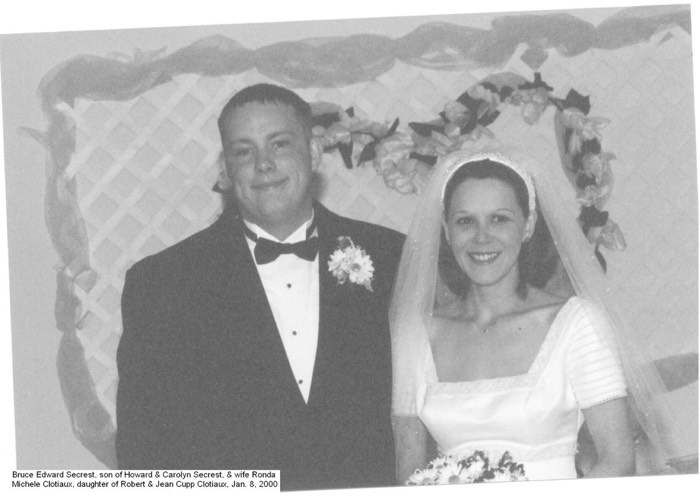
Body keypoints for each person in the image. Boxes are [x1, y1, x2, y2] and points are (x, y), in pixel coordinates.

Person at [116, 83, 404, 491]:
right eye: (244, 151)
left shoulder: (393, 257)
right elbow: (144, 450)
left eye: (280, 144)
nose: (263, 165)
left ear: (314, 153)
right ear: (225, 170)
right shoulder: (163, 284)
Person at [390, 148, 660, 483]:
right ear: (447, 230)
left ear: (528, 225)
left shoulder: (578, 323)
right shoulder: (416, 333)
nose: (482, 237)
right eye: (465, 221)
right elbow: (408, 466)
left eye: (499, 219)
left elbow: (617, 460)